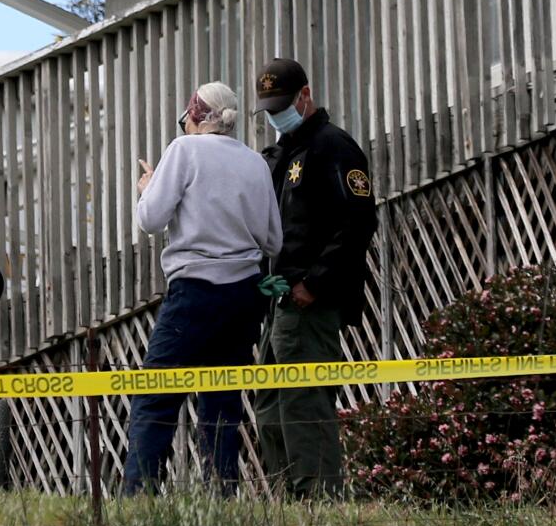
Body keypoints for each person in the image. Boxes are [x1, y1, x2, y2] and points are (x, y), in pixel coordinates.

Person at [123, 82, 282, 495]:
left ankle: (139, 495)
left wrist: (148, 188)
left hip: (193, 290)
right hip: (244, 295)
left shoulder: (183, 150)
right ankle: (221, 493)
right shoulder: (255, 163)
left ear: (194, 114)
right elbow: (273, 241)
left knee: (156, 396)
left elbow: (151, 220)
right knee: (222, 402)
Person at [251, 58, 377, 498]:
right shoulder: (282, 154)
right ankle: (290, 505)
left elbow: (357, 221)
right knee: (269, 405)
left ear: (305, 96)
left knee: (303, 402)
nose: (276, 115)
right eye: (268, 109)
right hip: (279, 301)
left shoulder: (334, 146)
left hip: (309, 300)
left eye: (282, 105)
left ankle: (320, 505)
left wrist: (314, 284)